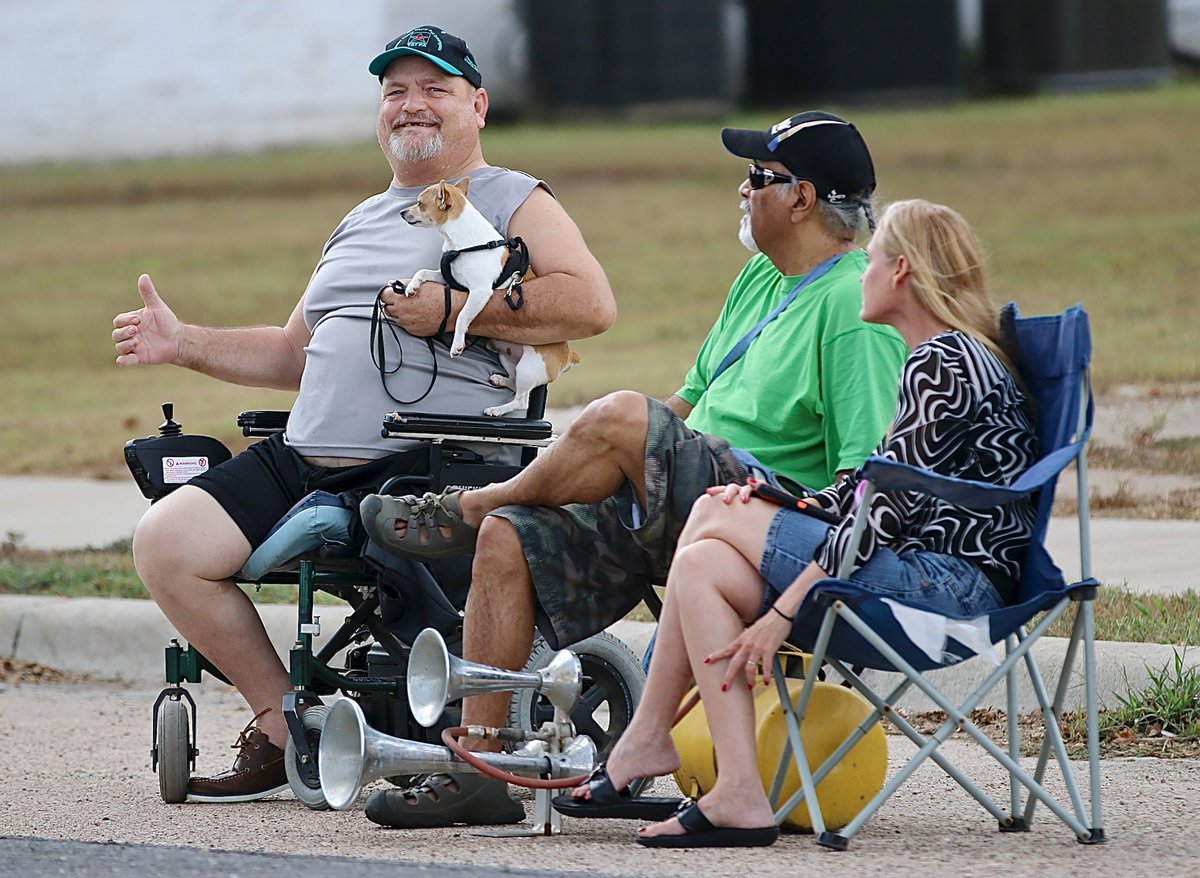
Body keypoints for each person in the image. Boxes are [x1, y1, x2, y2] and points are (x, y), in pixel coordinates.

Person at [357, 111, 909, 827]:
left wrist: (626, 434)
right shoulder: (759, 280)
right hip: (686, 495)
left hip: (768, 518)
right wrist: (607, 458)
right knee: (511, 536)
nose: (741, 193)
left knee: (619, 415)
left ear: (802, 199)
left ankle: (469, 505)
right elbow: (685, 404)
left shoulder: (852, 307)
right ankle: (481, 769)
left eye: (756, 180)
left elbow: (861, 479)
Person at [110, 25, 615, 804]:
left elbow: (590, 303)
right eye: (395, 92)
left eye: (434, 90)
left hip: (429, 458)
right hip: (307, 455)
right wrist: (185, 344)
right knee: (166, 541)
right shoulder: (360, 219)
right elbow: (292, 355)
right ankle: (286, 727)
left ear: (476, 106)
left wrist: (455, 308)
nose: (411, 106)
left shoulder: (513, 197)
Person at [565, 198, 1040, 848]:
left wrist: (782, 611)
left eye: (869, 262)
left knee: (711, 509)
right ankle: (737, 793)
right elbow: (876, 496)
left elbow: (880, 512)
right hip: (920, 576)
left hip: (946, 594)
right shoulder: (951, 355)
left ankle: (649, 739)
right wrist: (775, 499)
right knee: (704, 557)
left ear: (900, 273)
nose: (858, 274)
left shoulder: (942, 362)